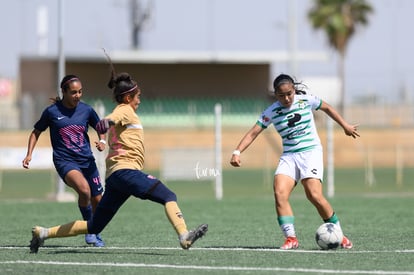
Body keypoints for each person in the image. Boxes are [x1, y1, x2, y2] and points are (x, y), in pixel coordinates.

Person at [29, 68, 208, 253]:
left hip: (116, 177)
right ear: (128, 98)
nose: (139, 100)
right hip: (126, 172)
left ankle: (43, 233)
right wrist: (105, 123)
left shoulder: (125, 111)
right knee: (168, 196)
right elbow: (112, 118)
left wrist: (104, 128)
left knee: (94, 226)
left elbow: (113, 120)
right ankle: (184, 235)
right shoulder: (125, 110)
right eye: (138, 96)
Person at [230, 74, 359, 250]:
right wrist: (237, 152)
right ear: (275, 94)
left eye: (289, 93)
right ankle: (291, 238)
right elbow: (253, 132)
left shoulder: (305, 100)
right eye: (282, 95)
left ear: (294, 90)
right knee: (279, 192)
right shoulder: (271, 112)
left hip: (310, 152)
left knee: (314, 195)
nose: (287, 98)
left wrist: (345, 125)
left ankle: (339, 235)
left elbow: (327, 107)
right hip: (289, 156)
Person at [23, 75, 106, 247]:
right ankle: (90, 231)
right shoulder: (52, 112)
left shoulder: (87, 110)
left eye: (80, 92)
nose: (78, 95)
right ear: (64, 92)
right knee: (84, 191)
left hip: (87, 161)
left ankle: (93, 229)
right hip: (65, 161)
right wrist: (29, 154)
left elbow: (100, 127)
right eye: (74, 92)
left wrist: (102, 141)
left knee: (98, 200)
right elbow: (36, 132)